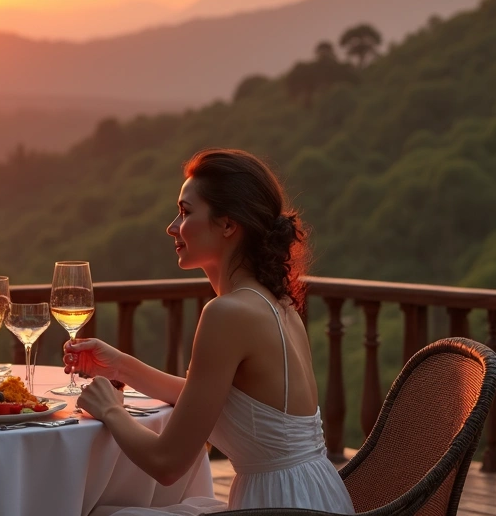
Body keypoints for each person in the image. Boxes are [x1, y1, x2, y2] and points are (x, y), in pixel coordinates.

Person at [67, 149, 354, 515]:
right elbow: (211, 400)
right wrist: (121, 367)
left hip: (279, 505)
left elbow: (166, 463)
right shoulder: (274, 302)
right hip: (313, 497)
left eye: (186, 212)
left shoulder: (226, 312)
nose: (172, 226)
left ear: (228, 225)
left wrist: (111, 410)